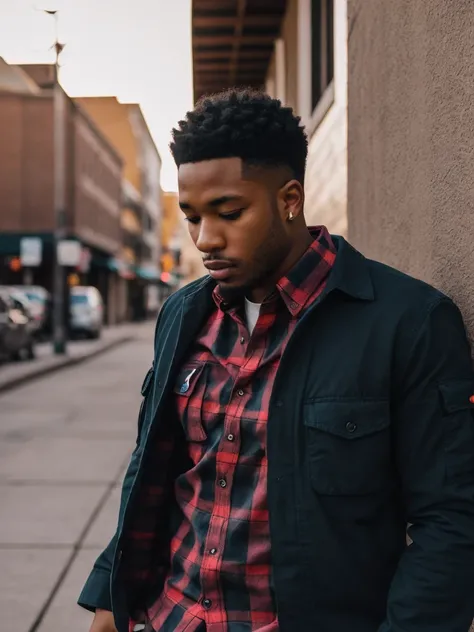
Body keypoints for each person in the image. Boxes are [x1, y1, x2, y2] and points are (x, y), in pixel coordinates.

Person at [80, 89, 474, 632]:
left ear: (290, 198)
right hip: (171, 616)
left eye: (229, 212)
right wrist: (109, 591)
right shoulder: (182, 313)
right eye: (191, 216)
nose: (204, 239)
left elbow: (452, 520)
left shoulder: (409, 322)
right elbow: (151, 465)